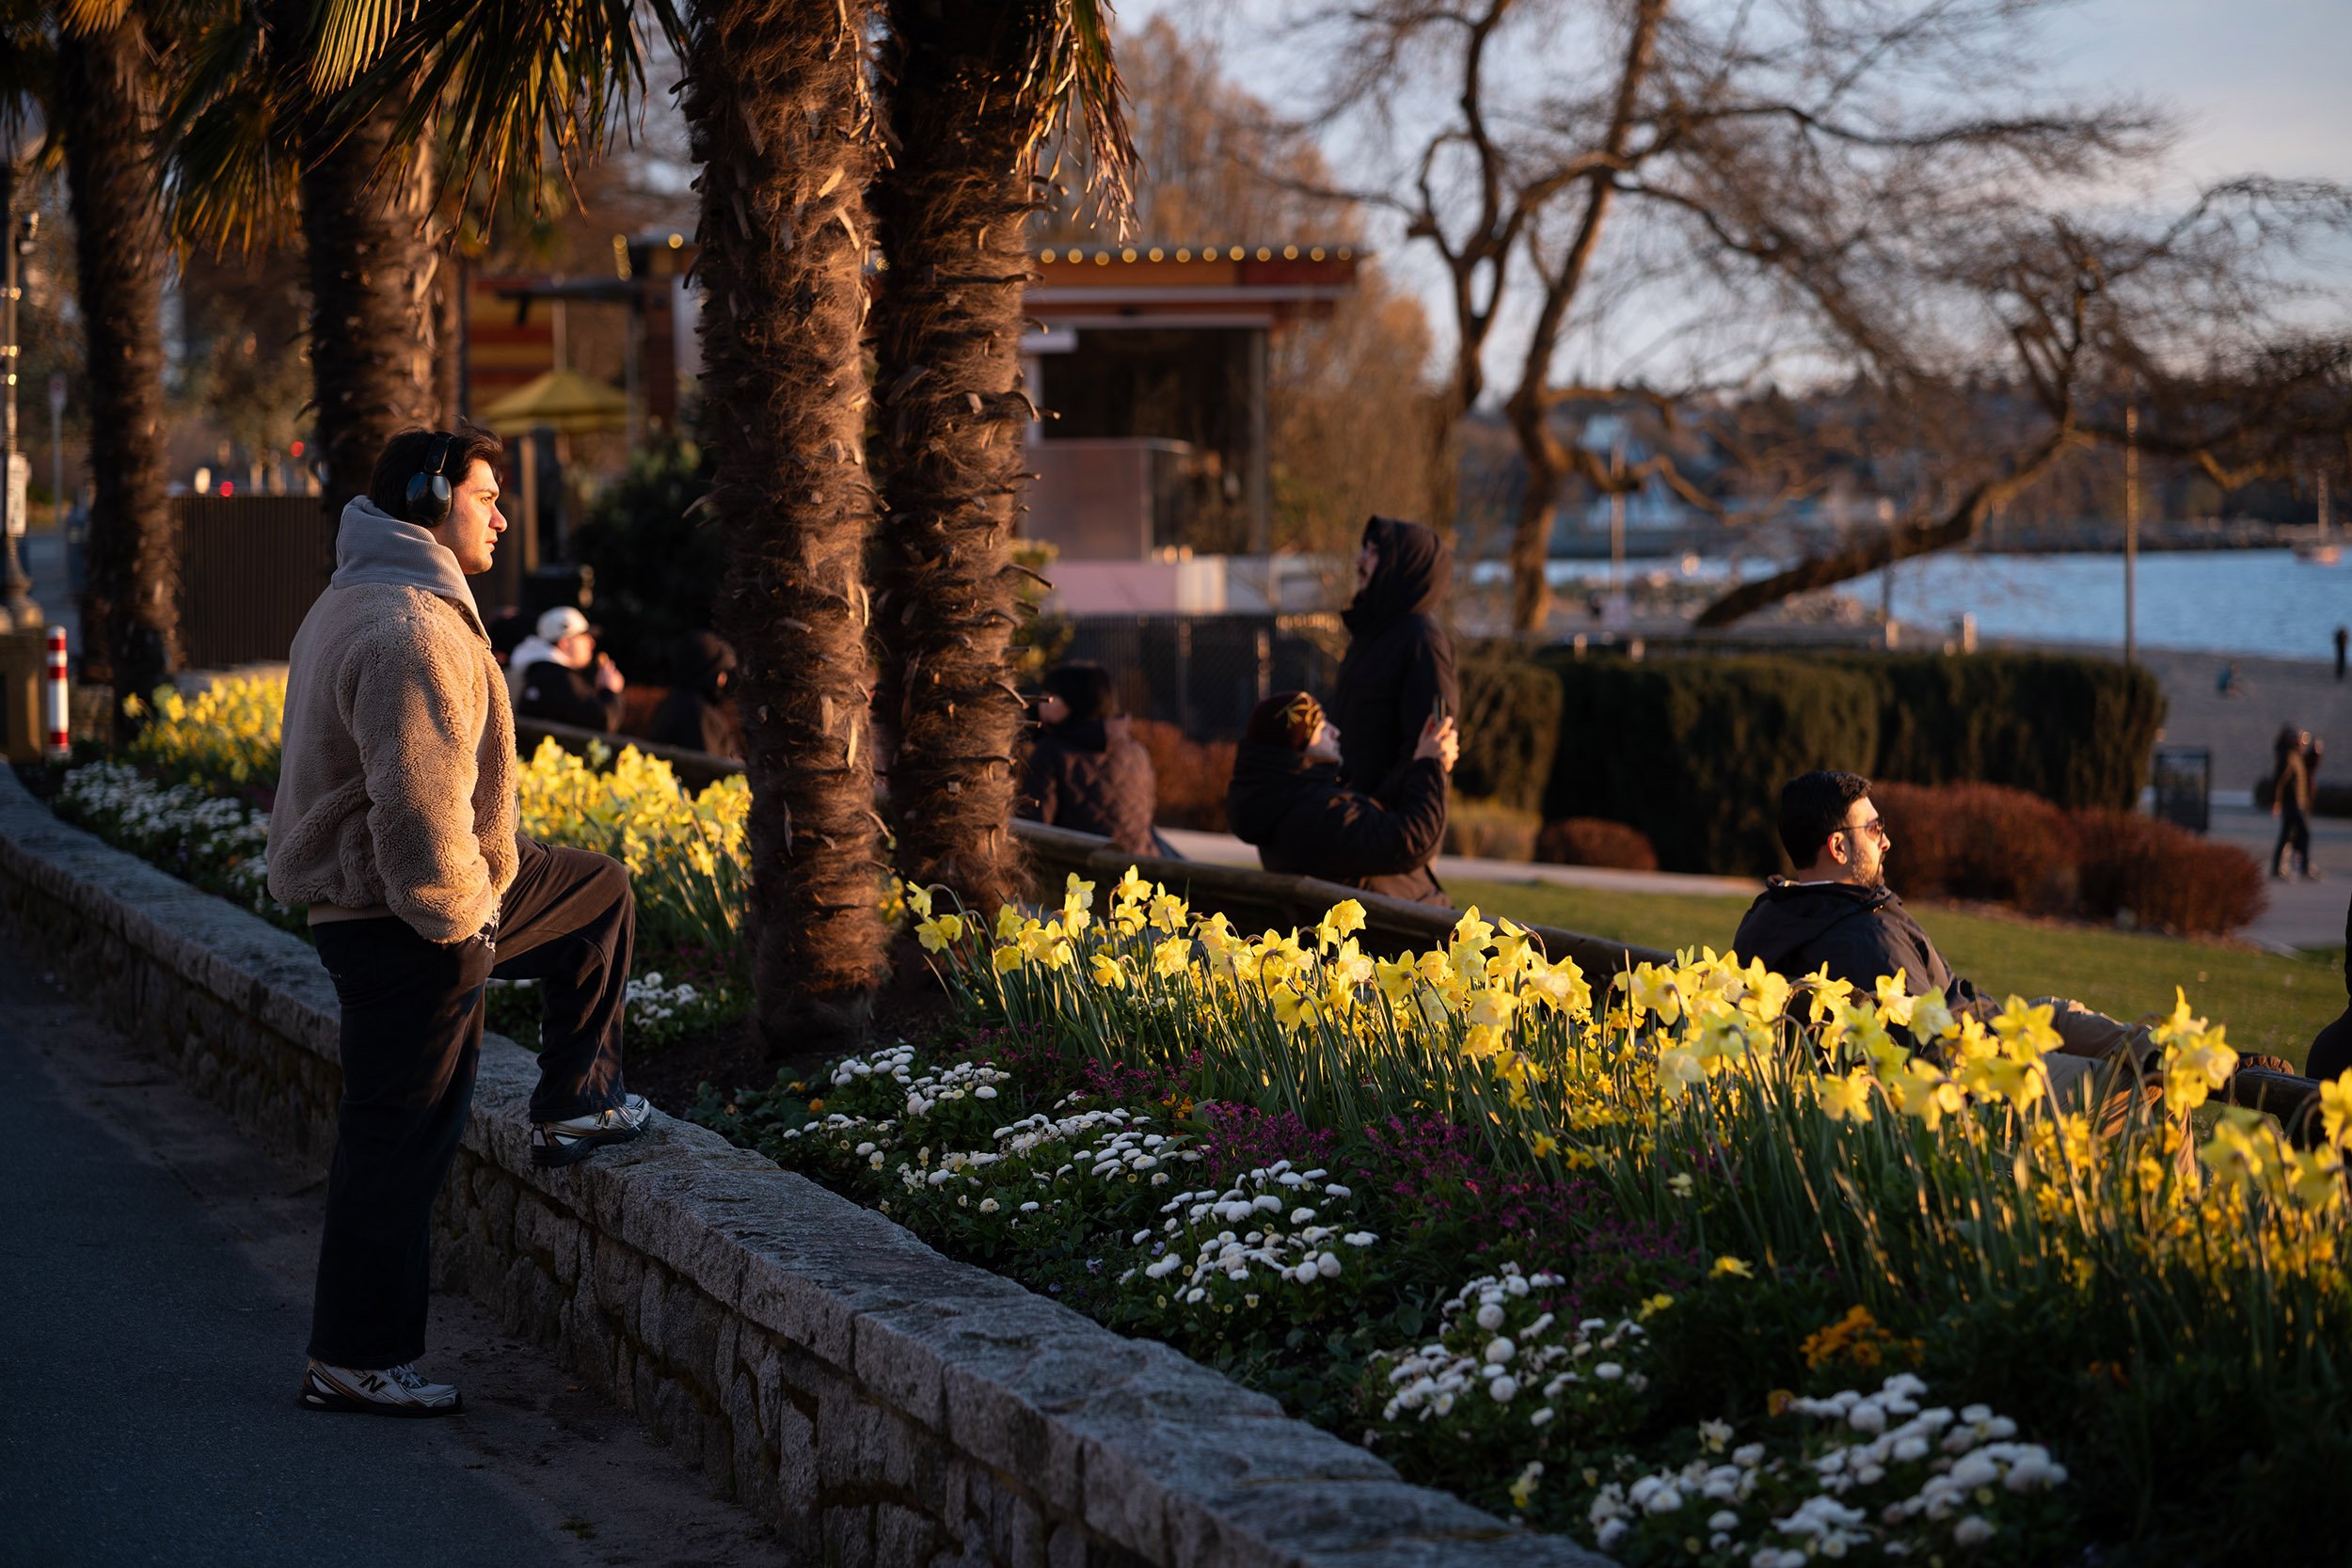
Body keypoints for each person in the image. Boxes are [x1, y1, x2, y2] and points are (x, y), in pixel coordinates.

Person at [265, 423, 652, 1418]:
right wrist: (463, 927)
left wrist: (474, 898)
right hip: (409, 915)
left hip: (398, 899)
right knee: (399, 1138)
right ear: (433, 502)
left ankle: (578, 1098)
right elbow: (417, 809)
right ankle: (355, 1358)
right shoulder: (411, 628)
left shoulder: (360, 596)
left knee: (595, 891)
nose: (501, 517)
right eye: (486, 496)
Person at [1729, 771, 2287, 1130]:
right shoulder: (1861, 937)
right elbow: (1936, 1051)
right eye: (1875, 829)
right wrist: (2004, 1043)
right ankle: (2184, 1193)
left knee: (2057, 1013)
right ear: (1837, 846)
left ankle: (2195, 1059)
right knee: (2154, 1089)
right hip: (1986, 1079)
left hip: (1980, 1030)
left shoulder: (1783, 912)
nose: (1887, 840)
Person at [1225, 689, 1458, 907]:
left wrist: (1421, 763)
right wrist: (1431, 766)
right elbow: (1412, 839)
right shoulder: (1316, 815)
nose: (1334, 731)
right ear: (1295, 744)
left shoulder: (1283, 808)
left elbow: (1370, 824)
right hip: (1414, 929)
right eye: (1321, 726)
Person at [1329, 515, 1458, 800]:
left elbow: (1431, 745)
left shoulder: (1423, 642)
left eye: (1374, 552)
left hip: (1385, 820)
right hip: (1353, 811)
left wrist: (1376, 807)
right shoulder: (1371, 634)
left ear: (1406, 566)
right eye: (1364, 549)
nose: (1360, 561)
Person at [1017, 662, 1157, 857]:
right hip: (1139, 865)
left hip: (1078, 868)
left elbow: (1033, 830)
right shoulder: (1136, 750)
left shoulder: (1051, 752)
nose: (1042, 702)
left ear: (1075, 702)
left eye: (1051, 696)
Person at [509, 605, 627, 733]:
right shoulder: (559, 679)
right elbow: (603, 721)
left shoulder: (539, 672)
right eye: (584, 636)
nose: (592, 643)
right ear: (564, 643)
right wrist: (610, 691)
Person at [644, 629, 743, 760]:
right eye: (720, 673)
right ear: (709, 675)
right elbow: (707, 766)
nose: (723, 680)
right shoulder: (699, 715)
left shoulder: (671, 704)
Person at [2273, 726, 2313, 880]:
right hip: (2292, 803)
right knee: (2304, 833)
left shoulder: (2297, 755)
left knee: (2286, 835)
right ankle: (2304, 867)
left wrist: (2315, 753)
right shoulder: (2288, 756)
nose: (2301, 741)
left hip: (2298, 803)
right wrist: (2276, 801)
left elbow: (2310, 768)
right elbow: (2279, 780)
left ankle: (2277, 867)